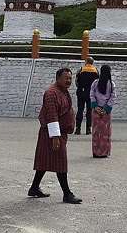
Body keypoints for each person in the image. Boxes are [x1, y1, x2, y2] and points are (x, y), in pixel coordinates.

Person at [28, 67, 82, 204]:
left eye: (70, 78)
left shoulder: (63, 92)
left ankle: (34, 188)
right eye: (66, 78)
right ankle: (67, 193)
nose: (69, 81)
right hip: (51, 134)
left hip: (59, 133)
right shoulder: (51, 93)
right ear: (58, 78)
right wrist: (55, 137)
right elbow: (52, 116)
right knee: (60, 162)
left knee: (44, 161)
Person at [90, 65, 116, 158]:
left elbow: (92, 95)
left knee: (96, 132)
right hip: (106, 112)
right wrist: (106, 109)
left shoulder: (95, 83)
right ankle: (104, 152)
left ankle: (96, 152)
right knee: (105, 132)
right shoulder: (112, 84)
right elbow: (112, 97)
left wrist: (95, 106)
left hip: (96, 110)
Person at [74, 57, 99, 135]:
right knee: (89, 111)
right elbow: (97, 83)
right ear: (92, 63)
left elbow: (76, 81)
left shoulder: (81, 69)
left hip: (81, 92)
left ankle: (78, 129)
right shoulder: (96, 71)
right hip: (91, 94)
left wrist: (80, 87)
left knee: (80, 110)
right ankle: (88, 129)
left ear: (86, 62)